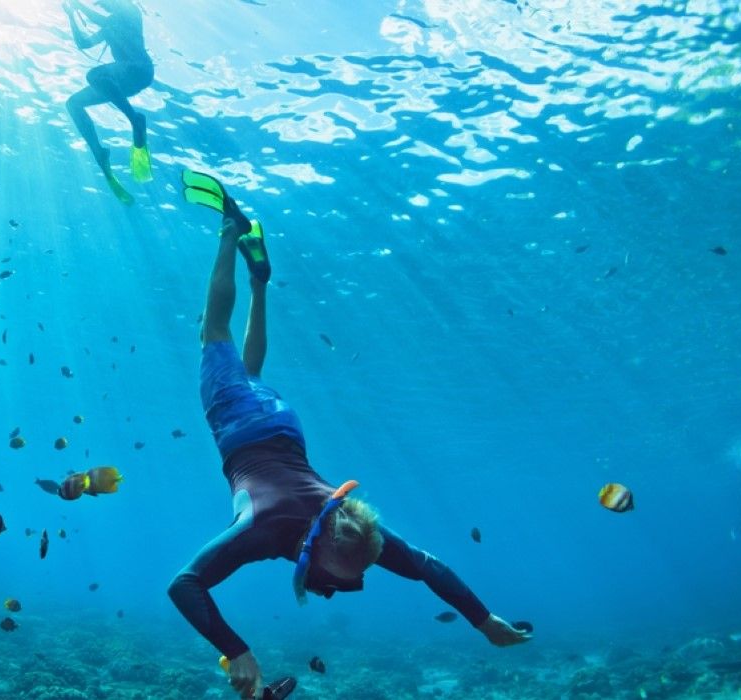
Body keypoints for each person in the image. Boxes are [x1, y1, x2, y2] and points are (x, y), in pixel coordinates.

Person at [168, 171, 533, 699]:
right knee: (214, 334)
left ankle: (259, 282)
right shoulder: (269, 528)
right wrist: (236, 648)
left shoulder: (351, 534)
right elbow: (183, 584)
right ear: (315, 548)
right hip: (244, 427)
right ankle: (229, 231)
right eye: (339, 580)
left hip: (283, 424)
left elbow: (428, 568)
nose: (342, 589)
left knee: (250, 373)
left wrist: (484, 621)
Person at [62, 0, 154, 204]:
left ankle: (134, 119)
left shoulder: (131, 11)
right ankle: (98, 151)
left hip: (138, 70)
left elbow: (100, 18)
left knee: (94, 76)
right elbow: (84, 43)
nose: (103, 6)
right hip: (121, 80)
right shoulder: (109, 24)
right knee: (73, 103)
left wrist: (79, 6)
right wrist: (71, 15)